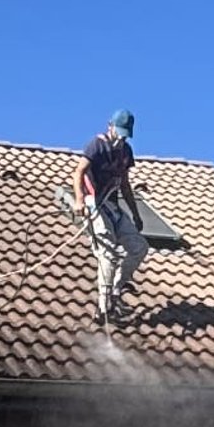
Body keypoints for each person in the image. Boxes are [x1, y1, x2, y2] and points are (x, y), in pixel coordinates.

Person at [73, 109, 146, 326]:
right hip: (94, 204)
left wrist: (135, 214)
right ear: (110, 126)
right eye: (120, 132)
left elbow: (125, 184)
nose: (122, 138)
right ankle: (104, 309)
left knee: (139, 247)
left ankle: (115, 291)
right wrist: (79, 199)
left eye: (126, 135)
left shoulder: (126, 152)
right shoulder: (96, 146)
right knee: (108, 255)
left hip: (113, 207)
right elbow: (78, 172)